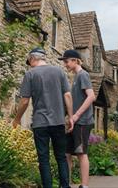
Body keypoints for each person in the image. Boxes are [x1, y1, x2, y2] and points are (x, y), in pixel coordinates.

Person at [13, 48, 73, 188]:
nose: (29, 64)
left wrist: (16, 119)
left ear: (33, 58)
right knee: (61, 157)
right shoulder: (59, 72)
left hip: (40, 123)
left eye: (29, 61)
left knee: (44, 160)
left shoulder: (30, 74)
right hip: (58, 122)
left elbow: (24, 101)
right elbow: (68, 96)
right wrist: (70, 117)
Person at [60, 50, 95, 188]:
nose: (65, 64)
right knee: (67, 153)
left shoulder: (83, 75)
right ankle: (65, 184)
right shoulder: (75, 78)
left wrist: (76, 115)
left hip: (82, 122)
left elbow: (91, 96)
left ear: (75, 60)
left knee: (81, 153)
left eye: (67, 61)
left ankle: (84, 185)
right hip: (74, 122)